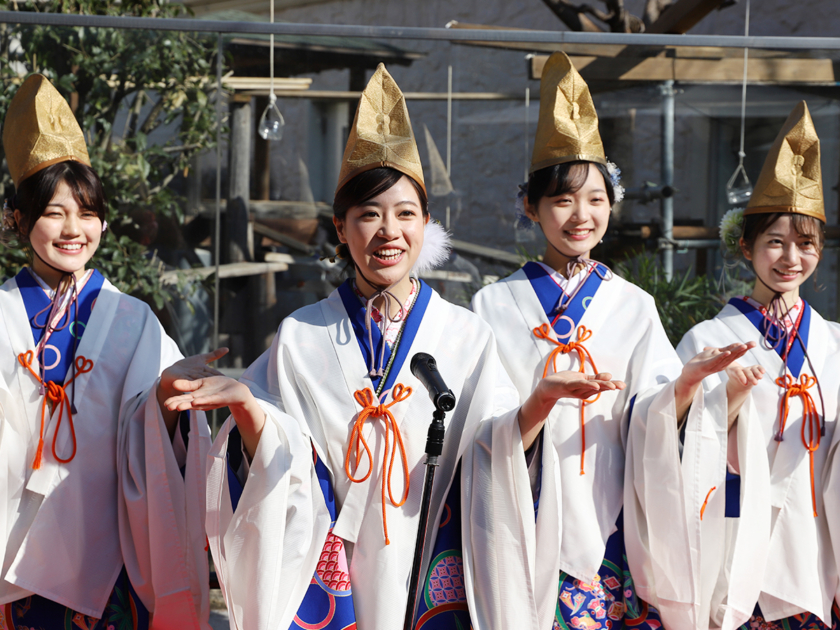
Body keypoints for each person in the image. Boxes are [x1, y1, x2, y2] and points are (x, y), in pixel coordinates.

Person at [168, 63, 530, 630]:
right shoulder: (302, 334)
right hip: (333, 564)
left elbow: (495, 448)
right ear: (340, 228)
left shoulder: (466, 336)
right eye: (368, 215)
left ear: (427, 223)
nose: (389, 231)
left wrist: (541, 406)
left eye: (405, 213)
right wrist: (247, 407)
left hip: (429, 559)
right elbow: (275, 460)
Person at [468, 51, 750, 630]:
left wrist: (688, 384)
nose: (581, 215)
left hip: (612, 516)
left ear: (612, 205)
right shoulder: (491, 305)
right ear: (531, 206)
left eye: (596, 199)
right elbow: (482, 427)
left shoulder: (634, 305)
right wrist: (538, 404)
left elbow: (651, 416)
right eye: (563, 199)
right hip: (526, 515)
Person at [0, 74, 216, 629]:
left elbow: (152, 435)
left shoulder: (132, 319)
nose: (74, 229)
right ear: (18, 220)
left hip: (110, 551)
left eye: (88, 212)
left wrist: (166, 400)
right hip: (11, 547)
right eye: (54, 212)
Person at [678, 101, 840, 630]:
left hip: (820, 535)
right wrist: (728, 401)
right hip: (737, 537)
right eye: (775, 241)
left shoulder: (835, 343)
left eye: (806, 243)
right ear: (745, 247)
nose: (791, 257)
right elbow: (673, 442)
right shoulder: (708, 339)